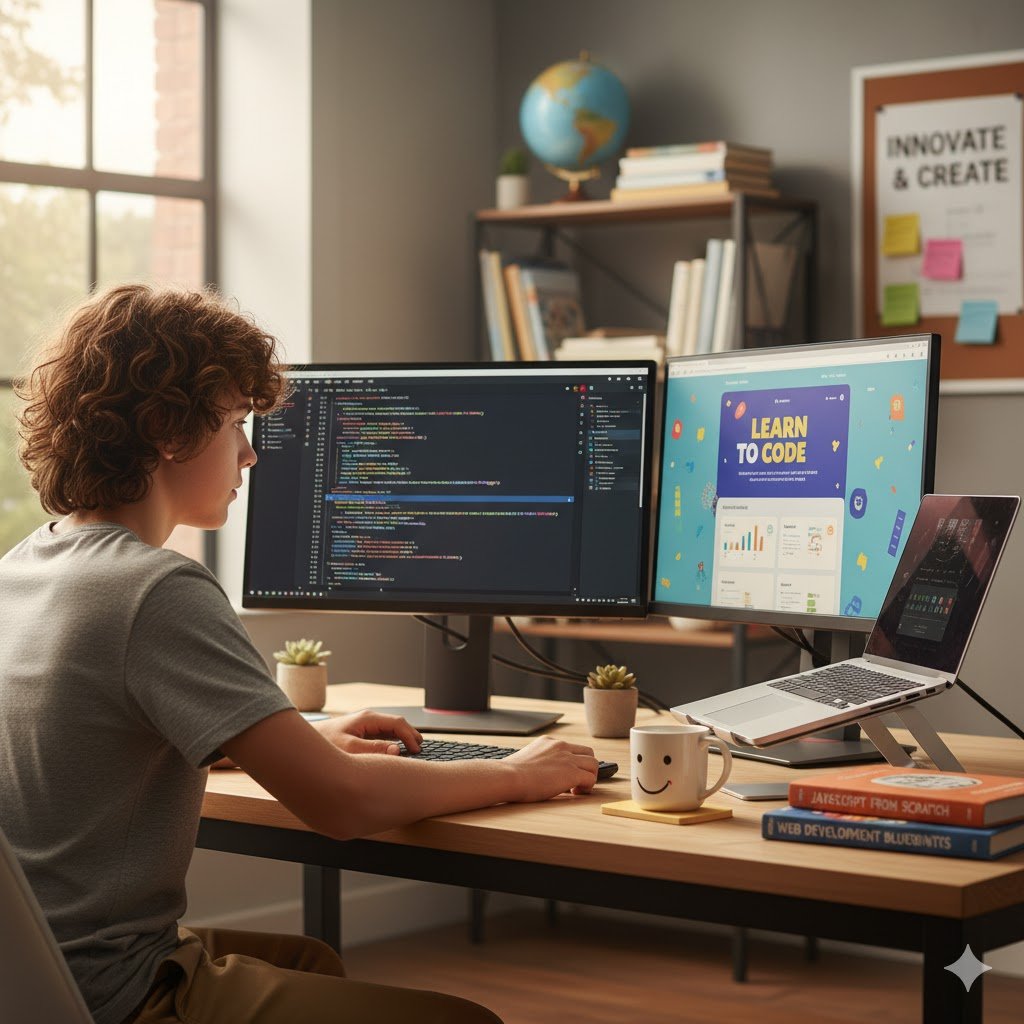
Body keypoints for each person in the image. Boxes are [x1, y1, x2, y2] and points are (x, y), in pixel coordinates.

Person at [0, 283, 599, 1024]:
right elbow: (342, 804)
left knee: (309, 960)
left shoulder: (25, 566)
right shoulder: (156, 589)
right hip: (112, 990)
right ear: (166, 428)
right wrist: (515, 775)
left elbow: (80, 741)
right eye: (234, 424)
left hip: (29, 973)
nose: (251, 453)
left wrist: (299, 741)